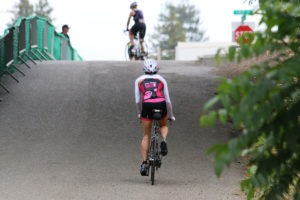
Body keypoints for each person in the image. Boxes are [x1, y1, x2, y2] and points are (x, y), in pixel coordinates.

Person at [135, 59, 175, 176]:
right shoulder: (161, 79)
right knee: (163, 125)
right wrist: (171, 115)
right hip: (160, 104)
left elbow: (137, 100)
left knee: (146, 135)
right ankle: (163, 140)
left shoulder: (138, 80)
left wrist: (139, 112)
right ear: (157, 69)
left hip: (146, 105)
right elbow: (168, 100)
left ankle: (144, 163)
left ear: (144, 69)